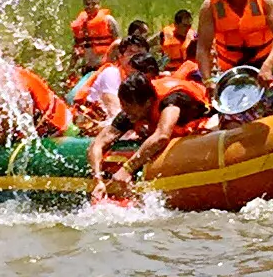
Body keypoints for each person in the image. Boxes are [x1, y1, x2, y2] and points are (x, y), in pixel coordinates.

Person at [88, 67, 212, 202]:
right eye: (123, 105)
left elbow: (161, 137)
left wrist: (127, 168)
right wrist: (98, 179)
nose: (125, 111)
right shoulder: (130, 113)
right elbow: (97, 144)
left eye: (129, 106)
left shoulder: (173, 101)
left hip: (208, 123)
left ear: (147, 103)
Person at [71, 36, 137, 129]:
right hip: (87, 126)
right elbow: (115, 113)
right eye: (132, 54)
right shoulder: (111, 73)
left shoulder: (134, 79)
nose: (138, 59)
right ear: (120, 56)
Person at [70, 0, 120, 75]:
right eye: (87, 4)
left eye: (94, 4)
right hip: (87, 68)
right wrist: (71, 69)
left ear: (99, 5)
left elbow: (118, 43)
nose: (90, 7)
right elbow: (76, 49)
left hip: (106, 67)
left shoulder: (108, 20)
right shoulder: (80, 24)